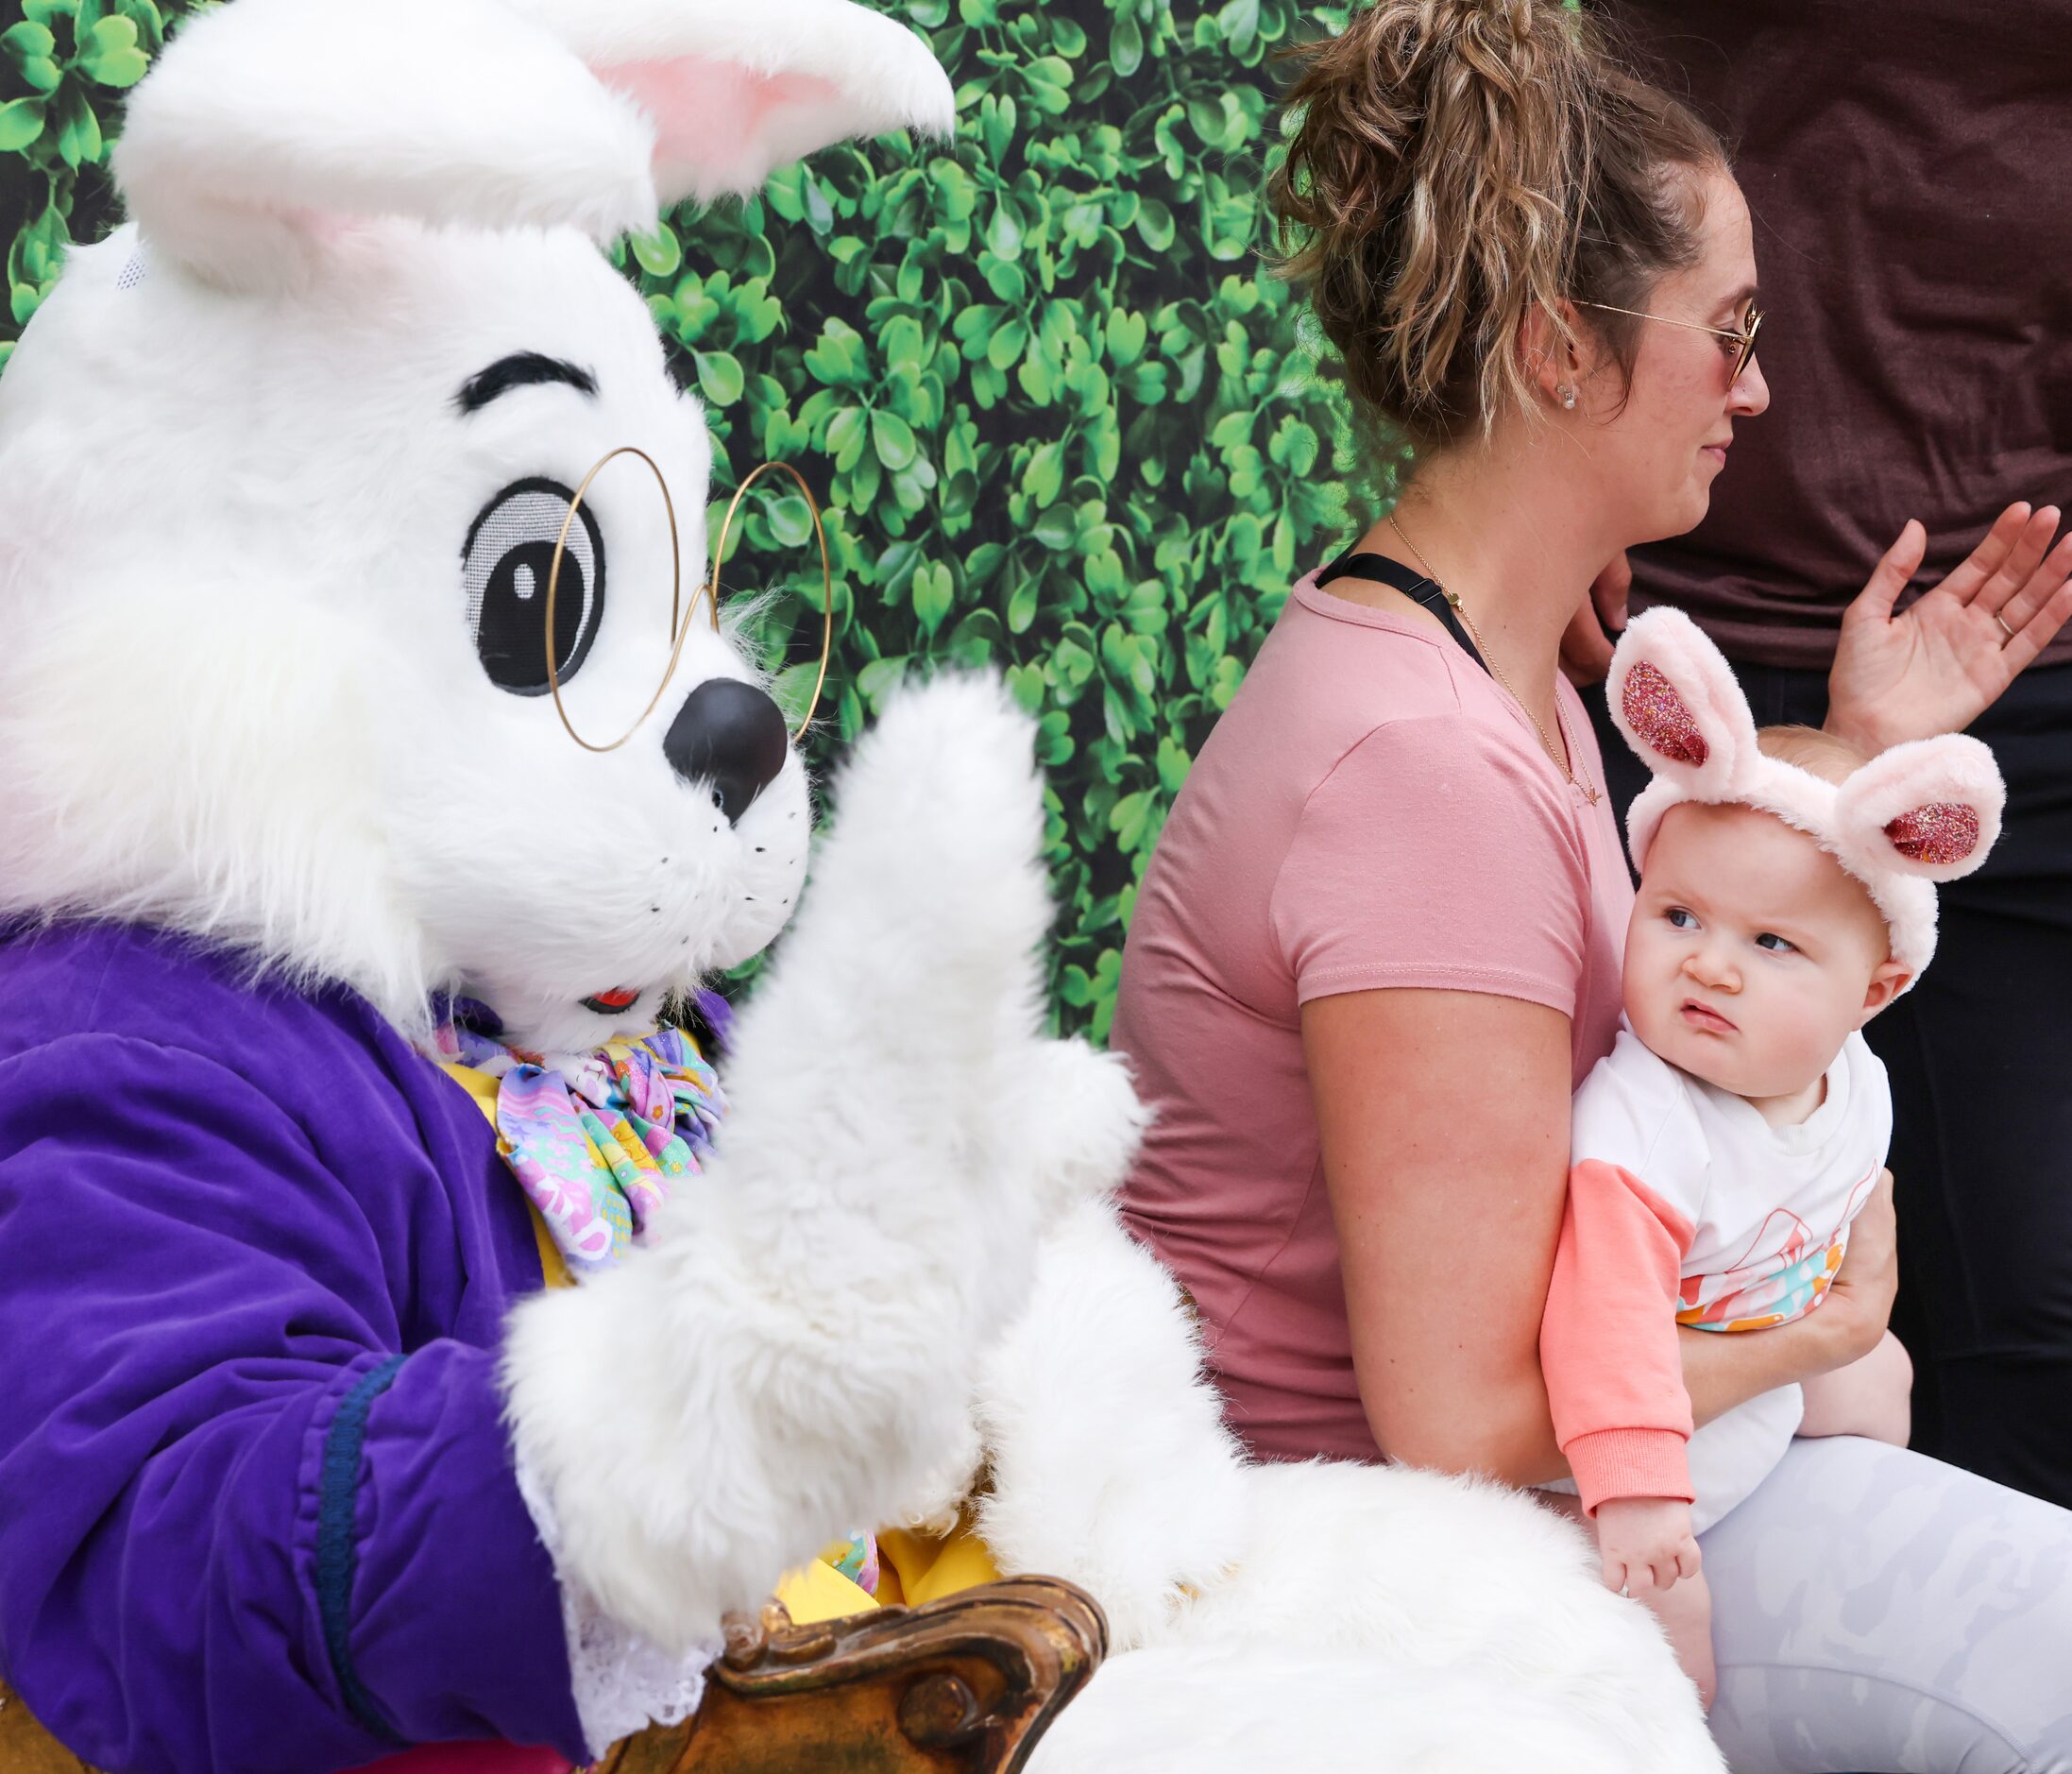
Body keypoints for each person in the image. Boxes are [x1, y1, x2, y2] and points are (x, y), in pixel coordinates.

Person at [1111, 1, 2072, 1762]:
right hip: (1396, 1587)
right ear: (1563, 353)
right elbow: (1467, 1419)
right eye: (1725, 334)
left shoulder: (1508, 657)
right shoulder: (1421, 771)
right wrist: (1817, 1331)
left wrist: (1856, 740)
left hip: (1583, 1507)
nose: (1758, 389)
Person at [1565, 0, 2072, 1515]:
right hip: (1682, 640)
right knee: (1648, 1240)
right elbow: (1524, 99)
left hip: (2017, 641)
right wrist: (1559, 476)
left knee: (2029, 1308)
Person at [1539, 606, 2006, 1708]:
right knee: (1651, 1601)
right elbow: (1603, 1327)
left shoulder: (1855, 1084)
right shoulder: (1643, 1128)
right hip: (1653, 1418)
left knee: (1881, 1377)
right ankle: (1680, 1707)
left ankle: (1845, 1528)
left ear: (1875, 994)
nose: (1712, 969)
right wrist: (1639, 1499)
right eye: (1679, 917)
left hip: (1766, 1348)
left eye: (1771, 944)